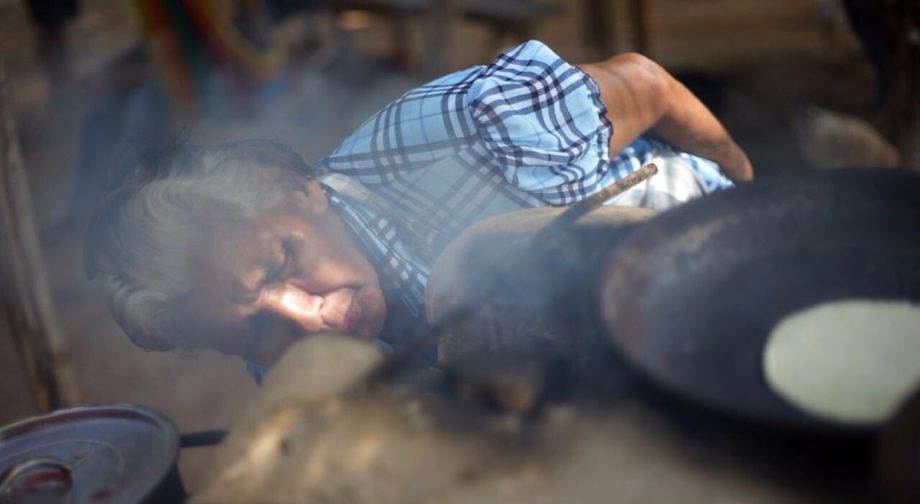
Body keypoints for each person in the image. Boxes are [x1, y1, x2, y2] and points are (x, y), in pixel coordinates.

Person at [84, 40, 752, 372]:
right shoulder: (276, 355)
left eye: (282, 261)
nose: (311, 319)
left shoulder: (471, 130)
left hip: (722, 257)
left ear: (294, 188)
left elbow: (647, 84)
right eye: (253, 335)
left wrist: (748, 185)